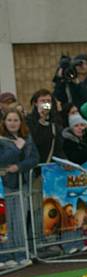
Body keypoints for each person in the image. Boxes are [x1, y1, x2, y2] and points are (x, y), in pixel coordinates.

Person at [0, 108, 39, 267]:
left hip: (22, 184)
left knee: (20, 221)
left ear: (20, 122)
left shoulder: (27, 138)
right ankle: (6, 256)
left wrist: (19, 166)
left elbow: (35, 158)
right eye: (9, 120)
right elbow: (2, 160)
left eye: (16, 120)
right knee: (6, 222)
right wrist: (17, 148)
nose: (13, 123)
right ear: (4, 122)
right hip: (6, 186)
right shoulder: (1, 139)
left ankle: (21, 253)